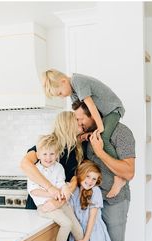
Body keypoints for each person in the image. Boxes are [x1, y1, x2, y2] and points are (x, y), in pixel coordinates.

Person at [72, 100, 136, 241]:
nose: (79, 123)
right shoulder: (88, 136)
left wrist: (100, 151)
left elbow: (129, 171)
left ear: (94, 114)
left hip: (116, 201)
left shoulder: (121, 133)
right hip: (94, 203)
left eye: (81, 119)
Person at [42, 69, 126, 199]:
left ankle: (119, 177)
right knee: (94, 136)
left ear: (63, 81)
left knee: (103, 137)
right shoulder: (73, 94)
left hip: (112, 110)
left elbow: (91, 107)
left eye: (60, 93)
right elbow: (80, 112)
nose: (61, 96)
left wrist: (99, 127)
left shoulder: (77, 81)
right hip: (104, 113)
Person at [27, 133, 94, 241]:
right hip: (45, 206)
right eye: (44, 154)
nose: (48, 157)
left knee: (77, 228)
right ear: (38, 154)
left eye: (52, 154)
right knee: (66, 224)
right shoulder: (35, 170)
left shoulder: (58, 168)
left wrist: (64, 189)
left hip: (60, 203)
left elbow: (61, 184)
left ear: (57, 154)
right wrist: (52, 193)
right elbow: (34, 191)